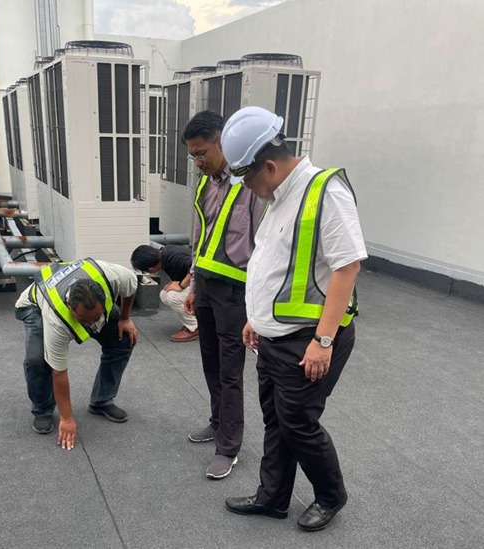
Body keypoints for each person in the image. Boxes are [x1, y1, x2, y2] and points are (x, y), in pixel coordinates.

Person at [220, 106, 367, 531]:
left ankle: (331, 495)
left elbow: (347, 268)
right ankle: (273, 497)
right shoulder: (280, 197)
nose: (247, 189)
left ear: (268, 165)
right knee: (277, 419)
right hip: (274, 337)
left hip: (307, 341)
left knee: (299, 423)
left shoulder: (325, 192)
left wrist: (324, 341)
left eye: (247, 179)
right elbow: (277, 265)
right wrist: (256, 317)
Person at [182, 110, 267, 480]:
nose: (198, 162)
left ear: (221, 142)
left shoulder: (250, 184)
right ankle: (218, 422)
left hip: (235, 292)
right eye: (193, 155)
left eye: (202, 153)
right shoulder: (205, 183)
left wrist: (257, 308)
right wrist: (193, 284)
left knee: (231, 372)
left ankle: (228, 446)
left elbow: (265, 245)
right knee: (211, 364)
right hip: (206, 286)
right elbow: (200, 237)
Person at [15, 257, 138, 451]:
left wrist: (124, 318)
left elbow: (131, 286)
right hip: (34, 305)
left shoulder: (114, 276)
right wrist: (67, 418)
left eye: (95, 318)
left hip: (81, 298)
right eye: (83, 321)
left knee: (122, 340)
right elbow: (59, 372)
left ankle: (101, 401)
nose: (91, 325)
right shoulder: (56, 319)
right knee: (37, 360)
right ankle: (42, 410)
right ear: (70, 306)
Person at [130, 244, 198, 342]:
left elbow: (195, 269)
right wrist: (176, 282)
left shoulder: (176, 257)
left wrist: (181, 285)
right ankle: (199, 319)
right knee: (164, 294)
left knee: (172, 296)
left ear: (151, 270)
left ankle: (194, 328)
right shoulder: (165, 254)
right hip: (199, 285)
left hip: (207, 287)